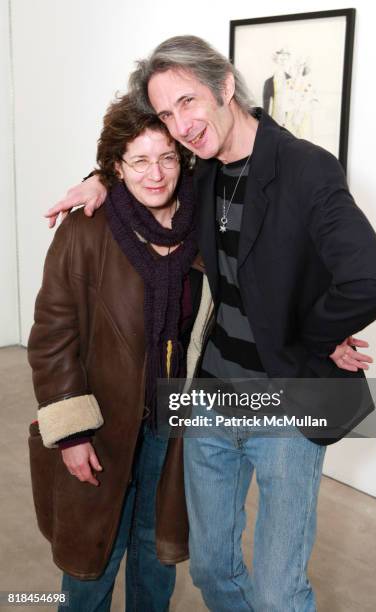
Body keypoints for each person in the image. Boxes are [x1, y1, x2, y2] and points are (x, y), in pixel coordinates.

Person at [46, 36, 376, 612]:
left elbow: (374, 279)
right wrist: (99, 179)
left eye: (187, 102)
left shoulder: (305, 167)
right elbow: (142, 165)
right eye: (167, 111)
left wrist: (311, 333)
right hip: (209, 400)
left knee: (278, 591)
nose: (180, 124)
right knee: (210, 570)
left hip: (287, 402)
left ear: (226, 87)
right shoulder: (202, 171)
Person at [28, 94, 203, 612]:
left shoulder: (203, 228)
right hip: (101, 422)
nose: (156, 174)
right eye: (140, 160)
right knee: (92, 564)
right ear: (114, 166)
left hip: (172, 429)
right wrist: (72, 433)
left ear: (183, 159)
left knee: (156, 558)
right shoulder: (86, 228)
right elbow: (52, 334)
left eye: (167, 158)